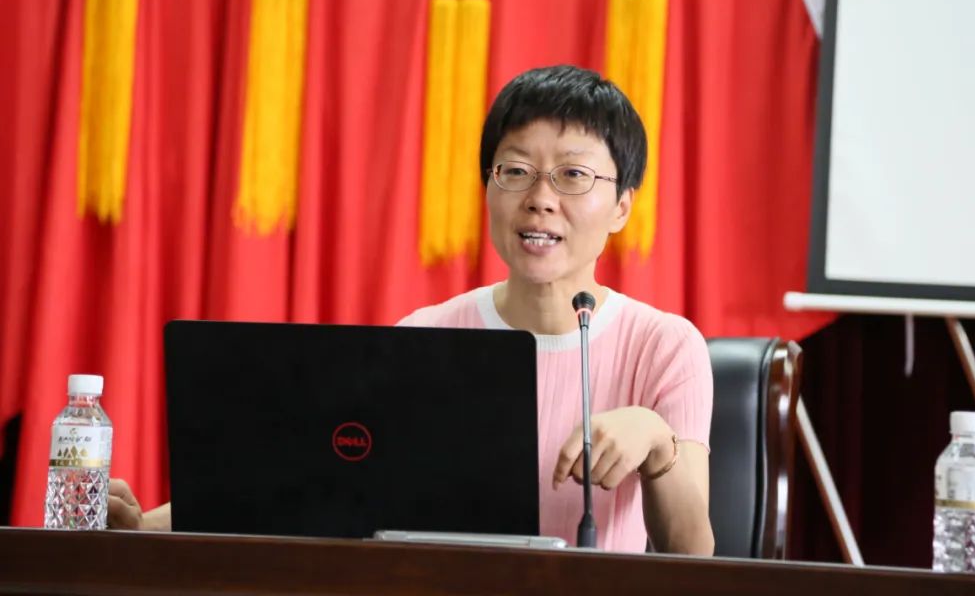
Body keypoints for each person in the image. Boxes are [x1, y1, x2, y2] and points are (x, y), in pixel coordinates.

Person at [109, 65, 715, 555]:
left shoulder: (663, 346)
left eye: (572, 176)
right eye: (516, 171)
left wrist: (656, 441)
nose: (540, 199)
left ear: (622, 206)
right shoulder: (427, 335)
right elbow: (306, 484)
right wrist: (150, 526)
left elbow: (693, 552)